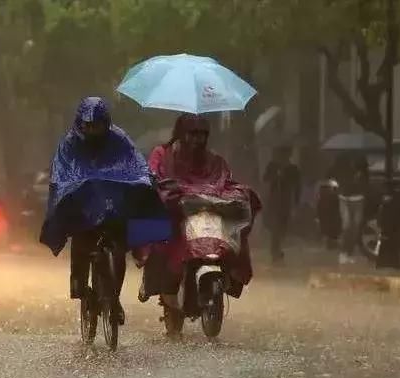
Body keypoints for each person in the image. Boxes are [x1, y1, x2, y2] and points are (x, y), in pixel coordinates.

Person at [40, 97, 163, 325]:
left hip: (112, 206)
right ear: (80, 123)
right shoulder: (69, 143)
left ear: (105, 123)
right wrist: (72, 187)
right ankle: (78, 286)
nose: (92, 130)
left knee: (119, 248)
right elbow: (62, 172)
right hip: (83, 207)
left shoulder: (119, 139)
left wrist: (144, 179)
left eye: (97, 125)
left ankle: (113, 298)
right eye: (87, 125)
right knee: (80, 239)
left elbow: (136, 164)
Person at [137, 113, 261, 300]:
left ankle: (230, 275)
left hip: (204, 211)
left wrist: (237, 194)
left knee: (233, 229)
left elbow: (224, 181)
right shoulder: (162, 154)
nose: (197, 139)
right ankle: (151, 279)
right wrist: (165, 191)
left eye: (201, 135)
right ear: (182, 133)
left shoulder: (214, 160)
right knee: (155, 230)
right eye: (192, 134)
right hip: (174, 212)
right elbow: (153, 178)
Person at [262, 145, 301, 263]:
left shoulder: (293, 168)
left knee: (283, 227)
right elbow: (265, 179)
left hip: (286, 200)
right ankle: (275, 251)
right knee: (275, 226)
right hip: (274, 200)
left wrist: (296, 202)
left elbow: (297, 185)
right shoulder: (272, 166)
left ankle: (277, 248)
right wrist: (275, 176)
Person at [328, 153, 369, 264]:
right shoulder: (341, 161)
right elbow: (331, 177)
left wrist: (361, 183)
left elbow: (366, 180)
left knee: (355, 227)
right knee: (347, 226)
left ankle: (349, 253)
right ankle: (343, 252)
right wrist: (336, 187)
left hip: (358, 198)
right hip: (344, 198)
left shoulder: (361, 164)